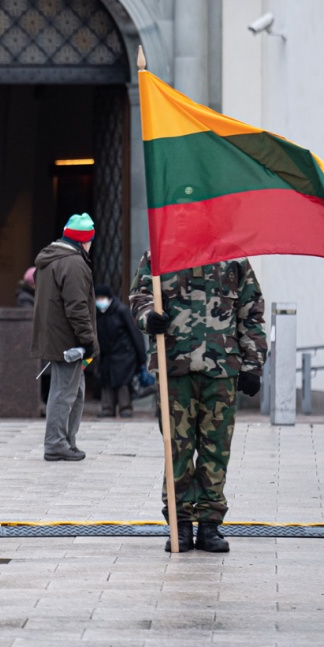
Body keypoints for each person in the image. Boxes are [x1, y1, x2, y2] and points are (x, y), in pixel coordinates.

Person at [130, 255, 265, 553]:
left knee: (216, 449)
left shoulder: (234, 258)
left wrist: (253, 365)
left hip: (221, 371)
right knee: (176, 448)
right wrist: (148, 316)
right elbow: (140, 297)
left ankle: (209, 525)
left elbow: (251, 312)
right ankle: (179, 525)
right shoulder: (162, 250)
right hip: (173, 369)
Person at [31, 213, 98, 462]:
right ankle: (57, 443)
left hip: (57, 337)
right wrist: (88, 341)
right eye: (90, 240)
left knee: (74, 391)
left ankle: (66, 441)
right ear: (84, 240)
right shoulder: (73, 263)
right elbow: (77, 307)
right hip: (68, 341)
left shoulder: (50, 258)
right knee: (64, 393)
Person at [94, 284, 147, 419]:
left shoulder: (121, 310)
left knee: (122, 381)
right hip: (107, 353)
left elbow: (135, 334)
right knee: (106, 380)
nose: (99, 301)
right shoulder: (98, 313)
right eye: (97, 298)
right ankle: (107, 408)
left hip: (124, 353)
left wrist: (141, 357)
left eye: (102, 297)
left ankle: (125, 408)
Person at [17, 266, 51, 413]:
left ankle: (46, 404)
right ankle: (43, 404)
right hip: (38, 344)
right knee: (44, 376)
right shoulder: (25, 298)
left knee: (47, 375)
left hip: (44, 343)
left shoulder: (35, 296)